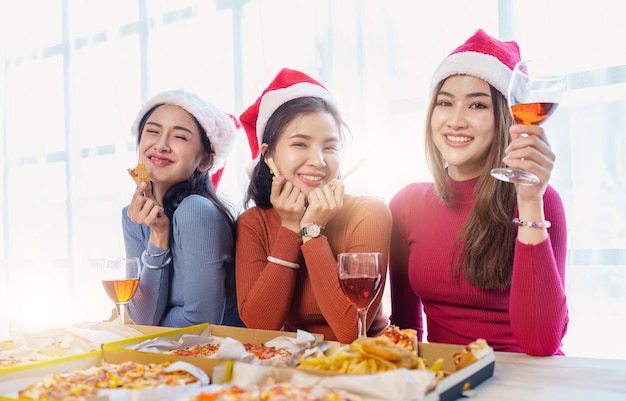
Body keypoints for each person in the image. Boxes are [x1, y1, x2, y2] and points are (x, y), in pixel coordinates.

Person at [389, 29, 568, 356]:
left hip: (524, 381)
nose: (455, 120)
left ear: (504, 117)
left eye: (477, 105)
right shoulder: (406, 205)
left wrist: (529, 201)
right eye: (445, 103)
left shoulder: (540, 201)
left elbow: (542, 344)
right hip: (446, 381)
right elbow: (405, 331)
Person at [236, 68, 391, 343]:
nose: (318, 161)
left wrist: (312, 231)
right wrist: (290, 228)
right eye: (300, 144)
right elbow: (260, 328)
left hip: (363, 364)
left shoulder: (367, 214)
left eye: (330, 147)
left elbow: (351, 332)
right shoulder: (253, 222)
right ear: (268, 154)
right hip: (291, 369)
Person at [123, 89, 244, 328]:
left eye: (180, 137)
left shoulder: (197, 211)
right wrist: (159, 234)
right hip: (165, 355)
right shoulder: (132, 216)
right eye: (153, 131)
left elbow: (201, 324)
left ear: (205, 161)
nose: (161, 144)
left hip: (218, 357)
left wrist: (146, 320)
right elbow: (143, 318)